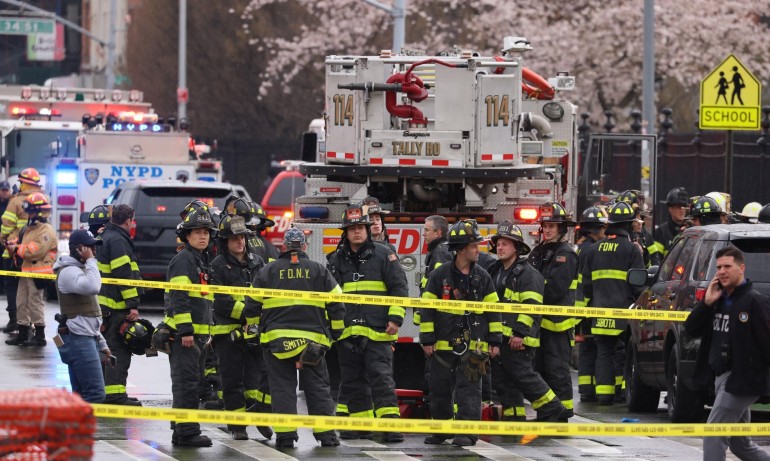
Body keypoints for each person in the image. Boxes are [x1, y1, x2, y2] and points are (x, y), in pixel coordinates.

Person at [247, 226, 346, 449]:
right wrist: (335, 333)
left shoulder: (267, 271)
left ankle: (285, 436)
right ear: (303, 246)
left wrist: (254, 332)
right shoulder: (319, 270)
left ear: (283, 246)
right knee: (317, 387)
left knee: (282, 388)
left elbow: (251, 307)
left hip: (276, 341)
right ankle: (326, 436)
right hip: (312, 343)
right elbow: (337, 304)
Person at [326, 205, 408, 443]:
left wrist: (395, 318)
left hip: (378, 330)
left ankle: (390, 426)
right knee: (352, 382)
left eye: (360, 227)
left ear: (367, 230)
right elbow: (329, 296)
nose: (357, 232)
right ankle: (361, 425)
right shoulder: (335, 260)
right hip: (348, 332)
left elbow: (399, 288)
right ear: (345, 232)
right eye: (352, 228)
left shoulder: (384, 255)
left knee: (381, 379)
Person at [419, 219, 502, 447]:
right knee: (439, 388)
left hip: (474, 345)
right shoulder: (439, 276)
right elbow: (426, 310)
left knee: (470, 390)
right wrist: (427, 339)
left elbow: (494, 312)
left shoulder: (483, 277)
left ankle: (467, 433)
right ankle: (442, 431)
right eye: (475, 246)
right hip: (442, 346)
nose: (479, 250)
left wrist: (495, 341)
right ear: (462, 248)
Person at [684, 246, 770, 461]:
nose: (722, 271)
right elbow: (690, 329)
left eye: (727, 266)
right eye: (719, 267)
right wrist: (706, 304)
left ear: (741, 268)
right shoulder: (717, 300)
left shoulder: (754, 301)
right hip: (720, 377)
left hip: (742, 381)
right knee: (740, 445)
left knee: (713, 434)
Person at [487, 220, 567, 422]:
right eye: (498, 244)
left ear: (517, 248)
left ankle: (553, 409)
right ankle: (514, 415)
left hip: (518, 338)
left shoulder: (528, 274)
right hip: (501, 337)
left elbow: (531, 306)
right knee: (504, 379)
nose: (501, 247)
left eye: (506, 243)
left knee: (523, 376)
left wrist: (520, 333)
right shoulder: (496, 271)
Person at [210, 215, 272, 441]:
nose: (240, 243)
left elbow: (267, 293)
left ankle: (259, 415)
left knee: (259, 377)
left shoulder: (257, 262)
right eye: (235, 239)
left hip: (254, 330)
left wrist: (256, 317)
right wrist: (248, 314)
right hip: (227, 333)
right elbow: (220, 301)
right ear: (225, 241)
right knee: (232, 378)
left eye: (243, 238)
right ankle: (238, 426)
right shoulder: (216, 266)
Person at [576, 201, 644, 405]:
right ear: (629, 225)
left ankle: (604, 396)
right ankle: (622, 393)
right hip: (624, 313)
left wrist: (586, 311)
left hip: (599, 312)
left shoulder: (594, 249)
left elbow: (585, 285)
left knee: (604, 352)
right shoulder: (632, 250)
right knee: (623, 352)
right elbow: (638, 284)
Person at [164, 208, 216, 447]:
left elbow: (204, 300)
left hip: (198, 335)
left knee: (192, 381)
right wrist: (186, 330)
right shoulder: (184, 260)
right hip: (185, 336)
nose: (202, 236)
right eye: (197, 232)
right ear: (187, 235)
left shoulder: (199, 260)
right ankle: (187, 432)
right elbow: (179, 298)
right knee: (188, 383)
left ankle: (181, 429)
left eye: (205, 232)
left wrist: (207, 331)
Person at [528, 202, 578, 418]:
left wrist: (531, 291)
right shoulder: (538, 252)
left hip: (557, 323)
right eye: (545, 225)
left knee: (556, 370)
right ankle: (546, 411)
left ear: (562, 228)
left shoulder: (566, 254)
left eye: (552, 226)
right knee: (539, 369)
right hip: (539, 323)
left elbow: (555, 289)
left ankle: (563, 411)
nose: (547, 230)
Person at [53, 229, 112, 403]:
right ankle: (82, 429)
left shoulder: (79, 270)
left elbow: (90, 315)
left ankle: (74, 430)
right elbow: (93, 287)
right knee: (95, 394)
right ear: (79, 249)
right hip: (79, 340)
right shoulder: (69, 272)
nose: (94, 251)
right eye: (91, 247)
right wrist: (91, 261)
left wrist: (102, 343)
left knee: (79, 395)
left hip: (84, 338)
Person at [97, 204, 143, 406]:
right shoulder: (117, 240)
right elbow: (123, 274)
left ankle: (106, 393)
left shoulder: (107, 235)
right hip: (116, 305)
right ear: (128, 220)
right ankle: (115, 396)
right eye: (133, 220)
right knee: (118, 350)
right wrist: (132, 304)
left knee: (106, 349)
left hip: (105, 305)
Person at [4, 192, 58, 347]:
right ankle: (23, 333)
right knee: (21, 302)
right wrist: (12, 243)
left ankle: (39, 335)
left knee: (34, 303)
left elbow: (35, 251)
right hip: (26, 271)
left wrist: (16, 248)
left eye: (31, 210)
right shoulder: (29, 228)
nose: (29, 213)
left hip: (38, 273)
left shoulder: (45, 230)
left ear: (40, 212)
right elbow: (23, 242)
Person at [0, 168, 45, 335]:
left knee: (14, 288)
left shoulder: (16, 202)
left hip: (13, 252)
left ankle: (16, 321)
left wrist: (4, 240)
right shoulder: (42, 199)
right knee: (32, 291)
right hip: (35, 253)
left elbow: (6, 226)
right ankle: (32, 325)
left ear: (23, 183)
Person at [574, 205, 607, 402]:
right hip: (587, 306)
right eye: (603, 228)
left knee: (586, 347)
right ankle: (588, 389)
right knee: (590, 347)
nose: (605, 232)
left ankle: (586, 387)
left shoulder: (581, 247)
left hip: (580, 307)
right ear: (595, 229)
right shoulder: (592, 250)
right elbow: (587, 282)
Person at [654, 187, 689, 256]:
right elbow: (657, 259)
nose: (682, 210)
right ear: (670, 209)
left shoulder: (691, 230)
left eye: (684, 206)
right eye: (678, 207)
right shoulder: (661, 232)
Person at [0, 181, 12, 297]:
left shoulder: (12, 204)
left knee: (5, 262)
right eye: (2, 190)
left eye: (6, 190)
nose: (4, 192)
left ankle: (4, 286)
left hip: (7, 238)